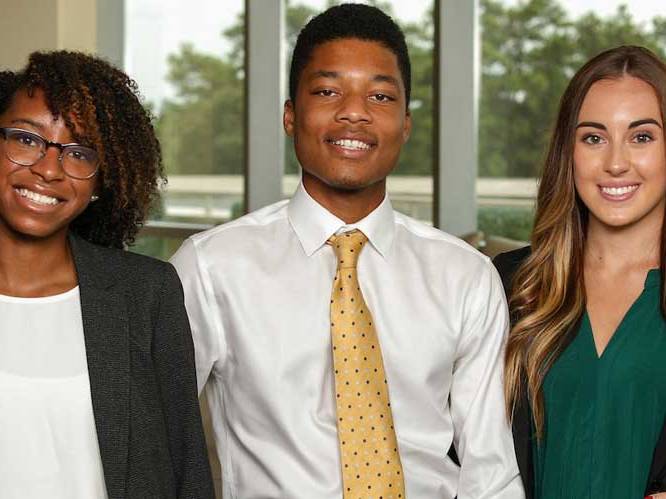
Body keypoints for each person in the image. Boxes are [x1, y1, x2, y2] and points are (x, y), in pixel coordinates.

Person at [171, 4, 523, 498]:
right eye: (328, 91)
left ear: (405, 124)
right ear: (290, 116)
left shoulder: (465, 276)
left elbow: (491, 469)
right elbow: (152, 435)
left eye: (380, 95)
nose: (354, 112)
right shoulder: (210, 267)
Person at [0, 51, 214, 499]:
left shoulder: (146, 294)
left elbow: (186, 466)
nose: (48, 169)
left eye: (78, 153)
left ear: (103, 180)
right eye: (25, 139)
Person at [494, 45, 666, 499]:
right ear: (567, 152)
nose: (615, 162)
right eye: (593, 137)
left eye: (642, 137)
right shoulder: (512, 283)